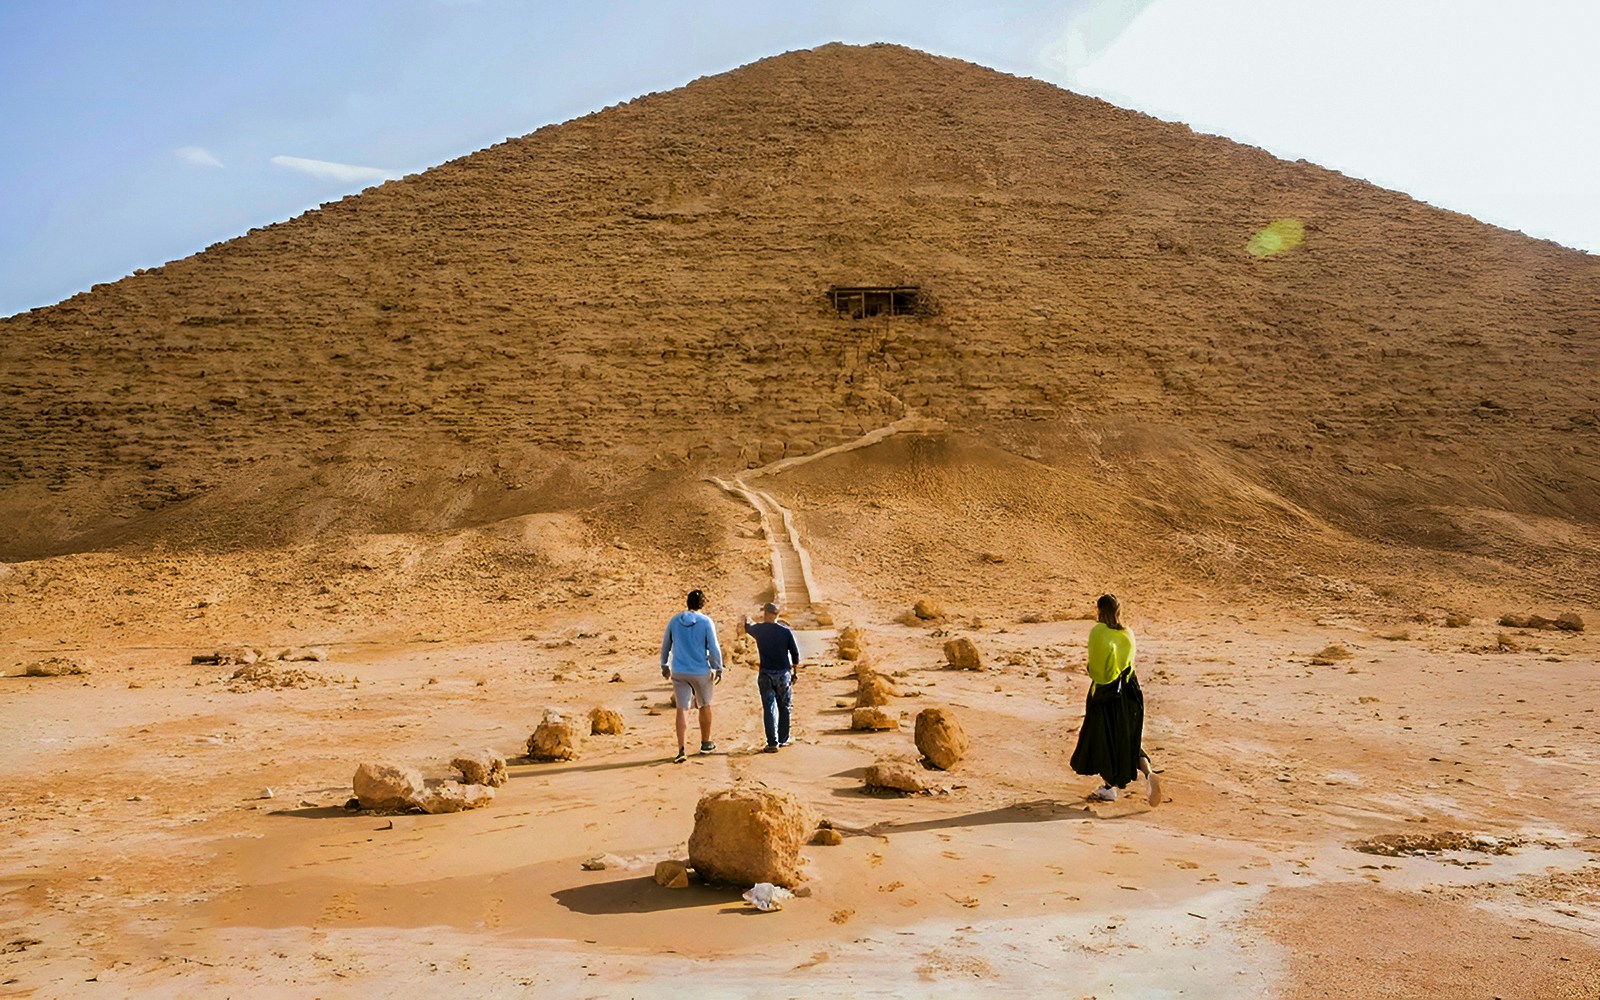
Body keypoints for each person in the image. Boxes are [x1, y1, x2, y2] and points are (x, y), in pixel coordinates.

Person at [1069, 593, 1161, 806]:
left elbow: (1099, 671)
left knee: (1104, 738)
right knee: (1128, 738)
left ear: (1100, 610)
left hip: (1107, 693)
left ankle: (1109, 789)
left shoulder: (1099, 632)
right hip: (1131, 691)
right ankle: (1148, 773)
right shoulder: (1128, 632)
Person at [660, 588, 724, 763]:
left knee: (682, 708)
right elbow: (713, 647)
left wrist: (664, 664)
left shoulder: (674, 621)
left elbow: (666, 644)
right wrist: (718, 667)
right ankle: (706, 742)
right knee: (705, 704)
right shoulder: (705, 621)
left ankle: (681, 749)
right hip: (700, 671)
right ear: (702, 604)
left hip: (679, 671)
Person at [742, 602, 801, 752]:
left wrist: (746, 618)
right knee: (785, 707)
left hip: (766, 673)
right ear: (777, 615)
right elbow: (795, 654)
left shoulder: (759, 630)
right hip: (783, 674)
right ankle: (783, 738)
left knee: (769, 708)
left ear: (766, 614)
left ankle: (772, 743)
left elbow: (748, 627)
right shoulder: (785, 631)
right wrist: (795, 672)